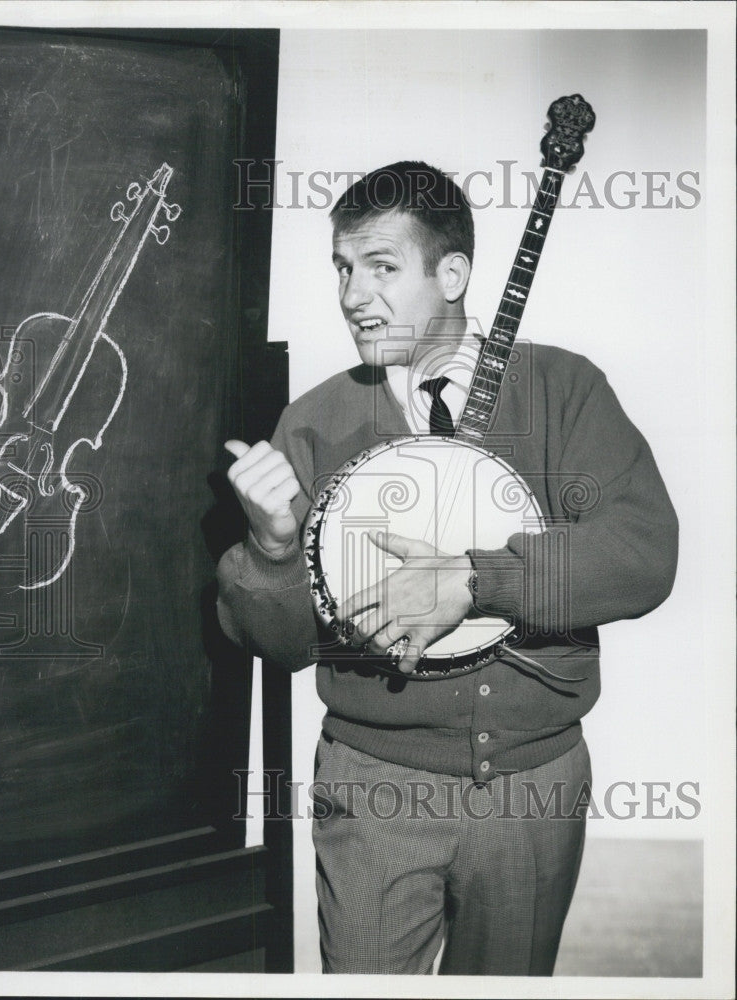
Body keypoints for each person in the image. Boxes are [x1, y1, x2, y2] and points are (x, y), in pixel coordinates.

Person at [216, 162, 678, 975]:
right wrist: (273, 549)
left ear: (453, 274)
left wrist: (476, 579)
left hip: (536, 787)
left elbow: (644, 553)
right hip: (374, 788)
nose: (354, 293)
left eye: (382, 267)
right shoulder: (316, 421)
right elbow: (277, 643)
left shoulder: (563, 390)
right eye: (343, 269)